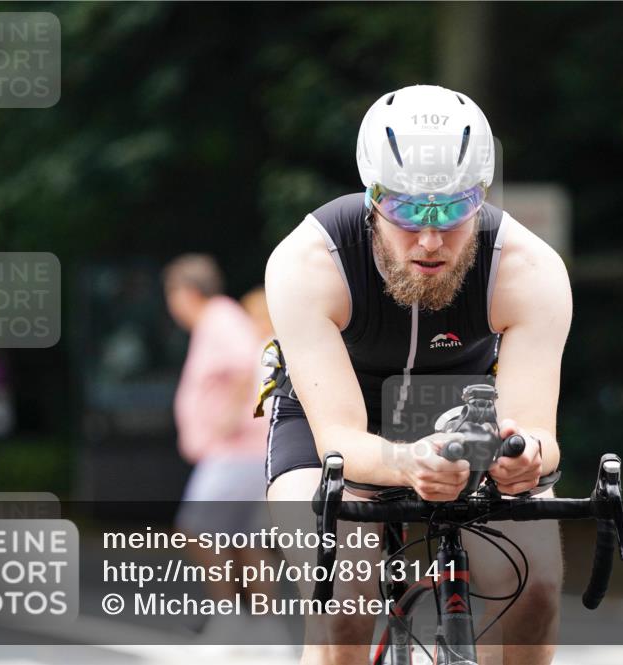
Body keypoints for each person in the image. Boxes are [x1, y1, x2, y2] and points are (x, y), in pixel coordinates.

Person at [262, 85, 571, 665]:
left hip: (465, 419)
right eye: (405, 209)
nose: (430, 238)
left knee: (536, 589)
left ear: (481, 198)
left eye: (453, 209)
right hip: (332, 423)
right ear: (371, 195)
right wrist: (407, 463)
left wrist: (524, 455)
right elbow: (341, 441)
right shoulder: (307, 264)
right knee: (343, 604)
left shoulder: (529, 270)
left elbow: (538, 433)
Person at [163, 255, 277, 641]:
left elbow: (248, 362)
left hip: (235, 448)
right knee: (243, 540)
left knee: (195, 529)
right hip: (244, 449)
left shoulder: (219, 317)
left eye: (172, 295)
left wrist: (230, 415)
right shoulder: (219, 320)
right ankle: (263, 629)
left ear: (186, 293)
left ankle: (229, 617)